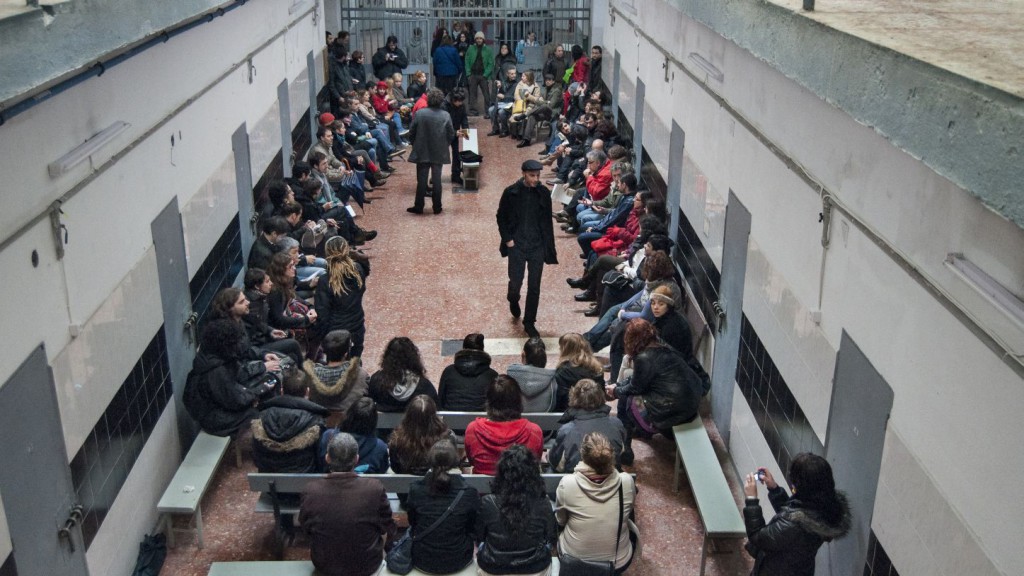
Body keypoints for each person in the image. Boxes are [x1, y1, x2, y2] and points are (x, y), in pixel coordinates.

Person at [605, 319, 707, 465]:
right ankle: (630, 439)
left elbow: (635, 388)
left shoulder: (644, 358)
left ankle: (626, 447)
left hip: (672, 411)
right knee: (625, 391)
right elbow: (637, 380)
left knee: (626, 400)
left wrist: (616, 391)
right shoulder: (662, 346)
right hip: (690, 403)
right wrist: (618, 386)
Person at [299, 433, 397, 576]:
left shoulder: (311, 490)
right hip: (367, 566)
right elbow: (387, 524)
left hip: (325, 566)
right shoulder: (374, 488)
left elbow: (306, 528)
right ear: (356, 459)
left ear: (327, 458)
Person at [743, 453, 851, 576]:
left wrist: (751, 500)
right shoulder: (825, 506)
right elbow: (793, 513)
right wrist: (774, 489)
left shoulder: (794, 526)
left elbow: (757, 537)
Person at [555, 432, 636, 574]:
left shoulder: (568, 483)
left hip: (574, 559)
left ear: (583, 455)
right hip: (617, 561)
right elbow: (628, 512)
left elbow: (561, 521)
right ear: (612, 457)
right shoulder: (626, 481)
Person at [184, 319, 277, 437]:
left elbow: (240, 375)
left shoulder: (214, 356)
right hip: (213, 418)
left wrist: (261, 371)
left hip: (219, 405)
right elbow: (234, 401)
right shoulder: (216, 370)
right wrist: (259, 390)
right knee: (254, 413)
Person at [496, 160, 558, 338]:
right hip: (517, 245)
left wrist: (548, 247)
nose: (536, 179)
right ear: (524, 174)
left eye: (538, 176)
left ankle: (529, 322)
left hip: (537, 245)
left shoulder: (543, 193)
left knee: (534, 286)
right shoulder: (511, 193)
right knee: (516, 282)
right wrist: (508, 240)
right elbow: (501, 217)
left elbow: (547, 221)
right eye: (532, 176)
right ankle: (513, 297)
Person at [475, 445, 557, 576]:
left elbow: (479, 536)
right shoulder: (543, 502)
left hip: (494, 568)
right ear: (533, 473)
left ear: (501, 473)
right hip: (534, 568)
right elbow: (549, 535)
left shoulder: (488, 501)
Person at [406, 438, 482, 574]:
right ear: (455, 462)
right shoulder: (469, 492)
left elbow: (413, 522)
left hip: (423, 559)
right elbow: (472, 528)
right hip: (458, 559)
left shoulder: (415, 489)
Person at [251, 369, 329, 473]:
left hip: (270, 481)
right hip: (305, 479)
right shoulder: (315, 421)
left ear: (282, 391)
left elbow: (257, 457)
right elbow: (320, 459)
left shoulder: (261, 417)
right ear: (307, 392)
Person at [464, 375, 543, 475]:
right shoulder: (534, 431)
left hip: (482, 489)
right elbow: (536, 461)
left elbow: (472, 461)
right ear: (518, 401)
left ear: (489, 402)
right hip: (521, 488)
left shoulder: (473, 430)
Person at [549, 379, 626, 473]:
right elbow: (620, 452)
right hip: (610, 478)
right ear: (601, 397)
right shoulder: (617, 424)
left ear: (574, 399)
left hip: (576, 483)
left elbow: (557, 465)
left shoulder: (566, 430)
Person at [314, 237, 369, 358]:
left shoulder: (325, 280)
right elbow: (366, 272)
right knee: (355, 360)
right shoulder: (358, 271)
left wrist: (319, 337)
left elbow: (322, 313)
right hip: (357, 326)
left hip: (335, 333)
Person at [406, 88, 455, 215]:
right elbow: (451, 134)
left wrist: (414, 144)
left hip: (422, 149)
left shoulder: (420, 113)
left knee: (422, 180)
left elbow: (411, 132)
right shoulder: (445, 115)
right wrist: (445, 145)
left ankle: (419, 206)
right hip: (439, 150)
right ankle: (437, 207)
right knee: (437, 179)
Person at [303, 329, 369, 416]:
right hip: (349, 423)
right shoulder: (361, 374)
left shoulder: (310, 375)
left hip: (317, 423)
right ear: (346, 353)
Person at [319, 397, 390, 473]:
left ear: (349, 414)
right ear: (373, 421)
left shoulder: (328, 436)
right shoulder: (380, 448)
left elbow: (319, 465)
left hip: (328, 484)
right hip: (367, 485)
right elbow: (382, 472)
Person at [368, 336, 438, 412]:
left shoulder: (376, 381)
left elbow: (368, 407)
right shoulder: (424, 386)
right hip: (414, 424)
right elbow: (436, 410)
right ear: (413, 358)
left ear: (387, 357)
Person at [388, 395, 453, 475]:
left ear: (409, 415)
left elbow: (395, 468)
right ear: (433, 416)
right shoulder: (446, 437)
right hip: (436, 484)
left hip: (403, 485)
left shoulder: (397, 438)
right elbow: (449, 465)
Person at [437, 333, 498, 411]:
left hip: (452, 421)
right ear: (482, 349)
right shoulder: (492, 376)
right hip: (481, 422)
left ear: (463, 348)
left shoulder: (449, 371)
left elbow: (440, 401)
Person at [553, 333, 605, 412]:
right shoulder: (597, 368)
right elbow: (602, 395)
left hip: (570, 413)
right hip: (596, 411)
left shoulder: (562, 371)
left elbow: (560, 399)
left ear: (565, 349)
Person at [507, 337, 557, 412]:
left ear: (523, 355)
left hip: (515, 422)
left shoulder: (509, 377)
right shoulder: (553, 381)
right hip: (544, 422)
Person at [442, 88, 470, 186]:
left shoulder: (461, 104)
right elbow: (443, 124)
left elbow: (464, 118)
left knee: (456, 154)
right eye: (459, 102)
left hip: (456, 130)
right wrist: (454, 133)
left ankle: (456, 175)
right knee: (439, 155)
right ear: (454, 100)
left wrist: (466, 130)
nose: (461, 104)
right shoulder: (444, 106)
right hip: (444, 134)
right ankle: (435, 176)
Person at [464, 31, 493, 116]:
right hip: (473, 74)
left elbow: (491, 63)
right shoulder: (471, 48)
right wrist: (468, 74)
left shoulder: (488, 50)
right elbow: (467, 61)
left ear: (483, 39)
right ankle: (473, 111)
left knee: (486, 95)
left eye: (480, 38)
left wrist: (486, 75)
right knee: (472, 94)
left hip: (483, 75)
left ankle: (488, 111)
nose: (479, 40)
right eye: (477, 38)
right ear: (475, 39)